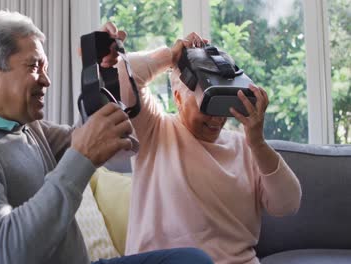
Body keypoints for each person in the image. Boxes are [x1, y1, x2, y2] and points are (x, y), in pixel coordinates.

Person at [0, 11, 213, 264]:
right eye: (34, 67)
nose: (47, 80)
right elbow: (3, 253)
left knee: (192, 260)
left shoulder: (24, 126)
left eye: (45, 68)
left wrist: (99, 73)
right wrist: (81, 158)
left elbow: (112, 144)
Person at [117, 32, 302, 264]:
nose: (216, 118)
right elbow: (121, 74)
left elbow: (288, 204)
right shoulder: (153, 129)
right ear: (178, 98)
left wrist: (257, 143)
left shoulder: (245, 147)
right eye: (208, 104)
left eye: (224, 103)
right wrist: (171, 56)